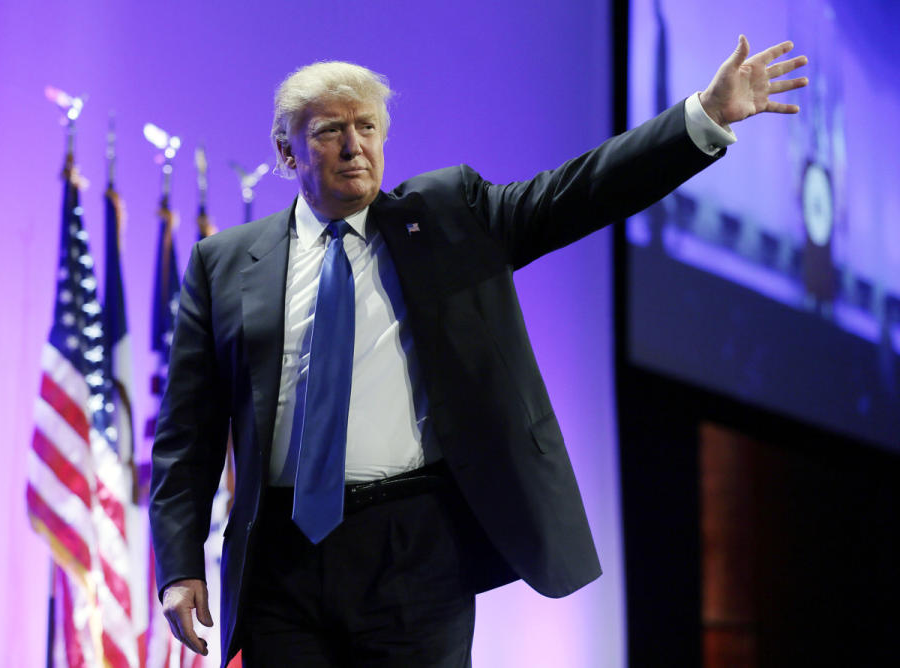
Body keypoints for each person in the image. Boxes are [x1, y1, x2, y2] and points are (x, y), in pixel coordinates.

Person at [150, 35, 807, 667]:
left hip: (416, 545)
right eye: (329, 130)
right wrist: (179, 567)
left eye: (368, 128)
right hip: (281, 561)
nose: (355, 147)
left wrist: (702, 119)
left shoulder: (445, 216)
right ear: (286, 151)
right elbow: (189, 433)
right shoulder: (225, 264)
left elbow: (575, 192)